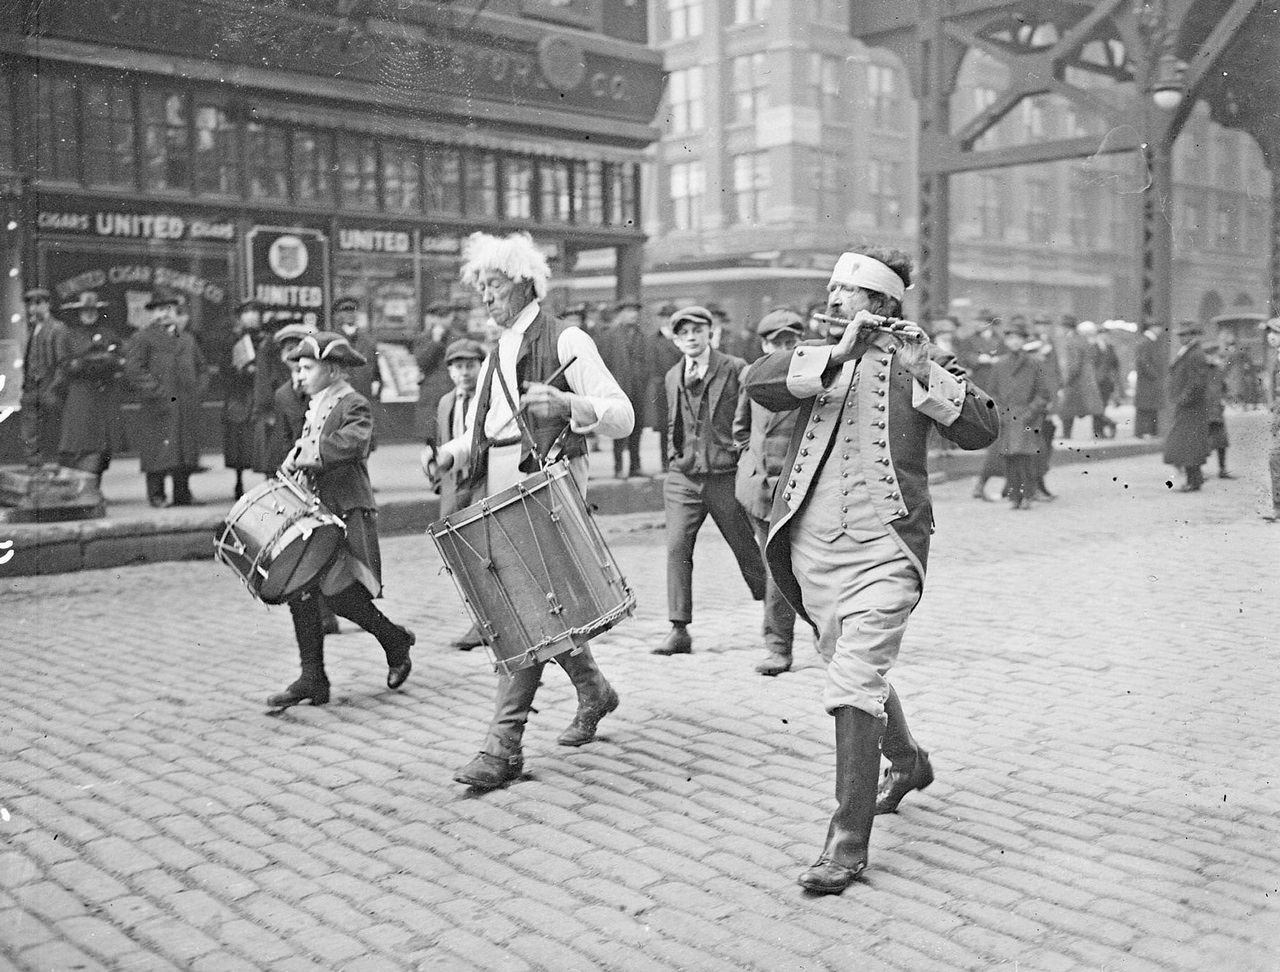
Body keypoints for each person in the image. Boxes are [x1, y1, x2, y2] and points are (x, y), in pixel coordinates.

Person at [743, 247, 999, 895]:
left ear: (882, 304)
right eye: (830, 289)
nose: (831, 301)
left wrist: (924, 366)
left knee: (854, 675)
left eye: (846, 291)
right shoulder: (817, 355)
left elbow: (981, 430)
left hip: (886, 548)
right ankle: (908, 761)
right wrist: (837, 353)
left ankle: (846, 843)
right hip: (813, 547)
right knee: (850, 665)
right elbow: (758, 383)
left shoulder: (922, 361)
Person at [423, 231, 634, 790]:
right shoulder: (499, 350)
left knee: (522, 613)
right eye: (482, 289)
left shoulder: (568, 340)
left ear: (523, 283)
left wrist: (570, 403)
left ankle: (502, 746)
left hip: (549, 485)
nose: (486, 299)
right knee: (539, 606)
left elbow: (623, 415)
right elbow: (488, 429)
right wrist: (447, 453)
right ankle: (594, 690)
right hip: (503, 485)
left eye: (493, 286)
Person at [268, 332, 415, 707]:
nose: (298, 376)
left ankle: (393, 640)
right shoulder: (315, 403)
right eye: (296, 369)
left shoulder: (353, 402)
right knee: (299, 588)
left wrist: (305, 452)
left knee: (340, 594)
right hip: (315, 511)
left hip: (346, 508)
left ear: (332, 369)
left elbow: (354, 442)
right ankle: (312, 677)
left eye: (306, 368)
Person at [655, 305, 767, 657]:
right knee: (676, 547)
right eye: (683, 333)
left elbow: (755, 416)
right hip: (683, 477)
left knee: (745, 546)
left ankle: (776, 616)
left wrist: (746, 460)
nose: (691, 337)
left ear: (710, 334)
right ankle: (679, 628)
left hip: (725, 475)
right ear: (675, 339)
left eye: (698, 331)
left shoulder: (734, 368)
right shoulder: (673, 375)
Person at [733, 309, 805, 676]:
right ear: (763, 346)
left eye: (790, 343)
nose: (783, 349)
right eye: (776, 343)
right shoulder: (752, 376)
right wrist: (752, 463)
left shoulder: (814, 378)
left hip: (800, 488)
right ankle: (778, 646)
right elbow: (740, 429)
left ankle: (833, 638)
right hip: (760, 490)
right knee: (776, 569)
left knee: (814, 567)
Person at [124, 293, 208, 507]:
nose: (165, 314)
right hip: (158, 406)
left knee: (183, 451)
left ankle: (183, 494)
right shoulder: (142, 338)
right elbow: (134, 370)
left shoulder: (187, 339)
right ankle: (157, 495)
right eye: (160, 310)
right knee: (158, 453)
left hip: (186, 404)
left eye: (169, 309)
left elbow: (202, 368)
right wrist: (157, 392)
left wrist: (197, 392)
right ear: (152, 314)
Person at [433, 337, 489, 652]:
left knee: (484, 553)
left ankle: (484, 623)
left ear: (480, 368)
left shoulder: (489, 401)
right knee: (456, 554)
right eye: (458, 367)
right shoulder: (445, 403)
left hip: (482, 481)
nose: (464, 373)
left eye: (470, 366)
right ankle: (480, 617)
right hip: (454, 487)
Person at [56, 291, 126, 489]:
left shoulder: (108, 333)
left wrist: (100, 361)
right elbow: (65, 364)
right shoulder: (68, 335)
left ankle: (95, 488)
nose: (89, 314)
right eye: (84, 310)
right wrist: (92, 362)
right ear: (77, 313)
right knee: (79, 443)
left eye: (92, 310)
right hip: (81, 394)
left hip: (105, 394)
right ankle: (81, 489)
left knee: (102, 445)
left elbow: (119, 358)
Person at [986, 318, 1054, 510]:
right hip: (1007, 417)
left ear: (1024, 341)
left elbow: (1043, 394)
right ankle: (1014, 495)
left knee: (1026, 459)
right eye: (1011, 338)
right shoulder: (999, 365)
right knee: (1010, 458)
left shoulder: (1035, 364)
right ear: (1006, 341)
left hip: (1027, 417)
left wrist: (1031, 412)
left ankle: (1027, 495)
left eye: (1019, 338)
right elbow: (992, 393)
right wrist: (999, 411)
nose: (1015, 342)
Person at [597, 298, 653, 478]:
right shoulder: (609, 336)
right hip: (618, 390)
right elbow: (603, 364)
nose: (632, 315)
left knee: (637, 428)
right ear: (620, 314)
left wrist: (643, 380)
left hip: (638, 389)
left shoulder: (643, 336)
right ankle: (618, 467)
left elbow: (647, 364)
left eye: (635, 312)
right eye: (628, 311)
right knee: (619, 428)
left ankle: (635, 466)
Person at [18, 286, 70, 467]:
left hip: (50, 387)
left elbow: (63, 363)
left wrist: (54, 387)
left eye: (38, 303)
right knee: (29, 430)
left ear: (48, 304)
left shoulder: (57, 328)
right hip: (32, 387)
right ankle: (34, 466)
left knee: (53, 429)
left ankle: (59, 466)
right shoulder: (33, 329)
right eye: (30, 304)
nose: (33, 308)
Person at [1162, 322, 1213, 493]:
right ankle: (1194, 479)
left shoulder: (1195, 354)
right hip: (1189, 406)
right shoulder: (1188, 352)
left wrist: (1184, 399)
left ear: (1193, 335)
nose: (1181, 338)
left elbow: (1197, 382)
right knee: (1188, 444)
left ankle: (1194, 480)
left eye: (1185, 335)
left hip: (1192, 407)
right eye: (1180, 335)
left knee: (1189, 444)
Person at [222, 299, 264, 499]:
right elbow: (223, 369)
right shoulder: (232, 340)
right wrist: (239, 370)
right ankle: (238, 483)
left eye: (255, 312)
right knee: (239, 441)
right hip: (239, 394)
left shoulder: (266, 339)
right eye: (247, 312)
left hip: (261, 393)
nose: (252, 316)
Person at [330, 297, 380, 441]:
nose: (350, 314)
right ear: (337, 315)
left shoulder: (368, 340)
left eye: (353, 310)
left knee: (363, 442)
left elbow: (376, 372)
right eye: (345, 310)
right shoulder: (332, 340)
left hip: (364, 397)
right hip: (339, 399)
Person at [1054, 315, 1104, 439]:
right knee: (1090, 408)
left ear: (1066, 328)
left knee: (1067, 408)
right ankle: (1102, 429)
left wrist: (1065, 381)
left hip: (1076, 381)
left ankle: (1066, 435)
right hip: (1084, 381)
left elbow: (1074, 365)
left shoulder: (1071, 341)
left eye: (1061, 327)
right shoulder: (1081, 339)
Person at [648, 303, 684, 471]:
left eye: (671, 317)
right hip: (663, 388)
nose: (668, 320)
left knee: (683, 424)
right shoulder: (654, 340)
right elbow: (651, 365)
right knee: (665, 426)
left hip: (683, 387)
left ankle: (681, 458)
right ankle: (666, 460)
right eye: (665, 317)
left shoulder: (682, 339)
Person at [1079, 321, 1117, 439]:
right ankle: (1100, 429)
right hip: (1095, 382)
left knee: (1102, 407)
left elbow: (1115, 364)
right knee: (1096, 407)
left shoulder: (1110, 348)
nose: (1104, 336)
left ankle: (1100, 430)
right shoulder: (1093, 347)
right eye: (1101, 334)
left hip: (1106, 382)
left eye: (1106, 334)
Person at [1202, 344, 1233, 479]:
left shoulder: (1219, 371)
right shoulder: (1200, 371)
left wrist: (1225, 399)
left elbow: (1225, 388)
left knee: (1221, 441)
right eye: (1210, 355)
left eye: (1215, 356)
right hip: (1203, 411)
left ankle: (1222, 469)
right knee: (1202, 442)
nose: (1212, 358)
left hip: (1216, 411)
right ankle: (1197, 471)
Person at [1260, 318, 1280, 522]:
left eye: (1275, 332)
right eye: (1269, 332)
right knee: (1275, 459)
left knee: (1275, 458)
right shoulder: (1274, 356)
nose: (1270, 336)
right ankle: (1278, 508)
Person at [1133, 324, 1165, 438]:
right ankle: (1144, 432)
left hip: (1148, 381)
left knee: (1147, 406)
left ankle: (1146, 432)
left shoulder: (1147, 341)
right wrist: (1155, 375)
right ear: (1153, 328)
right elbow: (1143, 361)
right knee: (1146, 407)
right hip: (1148, 381)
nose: (1160, 330)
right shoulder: (1147, 342)